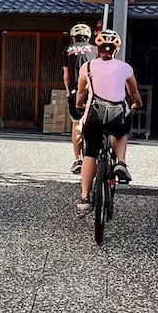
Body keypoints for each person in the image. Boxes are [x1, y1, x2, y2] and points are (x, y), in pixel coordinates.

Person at [75, 29, 142, 215]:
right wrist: (138, 103)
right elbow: (133, 92)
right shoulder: (125, 68)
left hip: (94, 115)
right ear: (116, 50)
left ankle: (85, 198)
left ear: (98, 48)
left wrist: (79, 104)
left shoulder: (87, 67)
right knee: (120, 132)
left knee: (90, 153)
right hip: (117, 114)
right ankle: (121, 162)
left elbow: (81, 92)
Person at [63, 24, 96, 174]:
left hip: (76, 91)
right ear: (88, 37)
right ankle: (94, 157)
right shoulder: (95, 49)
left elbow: (66, 75)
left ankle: (77, 160)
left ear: (73, 37)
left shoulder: (68, 50)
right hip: (94, 91)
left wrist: (68, 91)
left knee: (76, 124)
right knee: (95, 123)